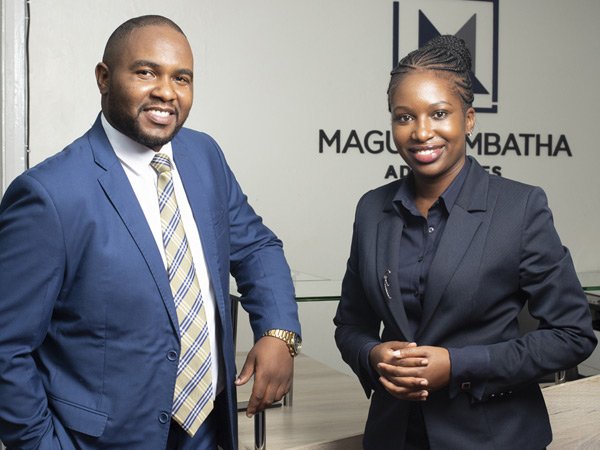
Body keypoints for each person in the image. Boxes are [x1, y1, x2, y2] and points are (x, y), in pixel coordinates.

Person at [0, 15, 301, 450]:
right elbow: (6, 349)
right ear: (104, 78)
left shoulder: (204, 155)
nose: (166, 91)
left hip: (208, 431)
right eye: (146, 72)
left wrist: (278, 331)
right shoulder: (49, 196)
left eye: (182, 78)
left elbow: (257, 246)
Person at [333, 35, 596, 450]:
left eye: (439, 113)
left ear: (469, 118)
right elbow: (350, 325)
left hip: (492, 437)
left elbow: (572, 335)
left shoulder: (519, 208)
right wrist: (372, 355)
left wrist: (458, 365)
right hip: (393, 435)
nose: (421, 132)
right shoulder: (372, 210)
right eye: (404, 117)